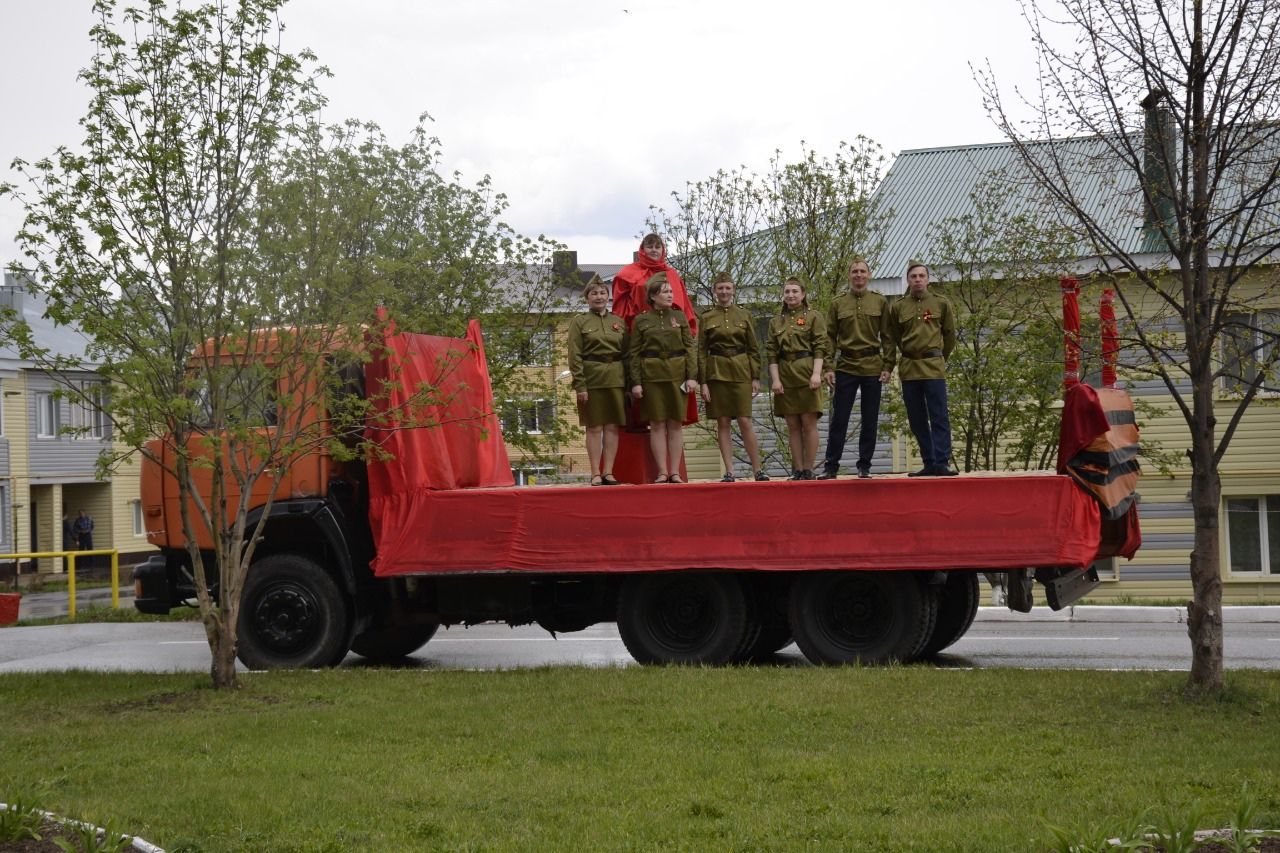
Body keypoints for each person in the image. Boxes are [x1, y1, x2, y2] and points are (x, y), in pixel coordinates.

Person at [819, 257, 891, 479]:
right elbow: (829, 337)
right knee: (840, 418)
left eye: (862, 271)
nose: (858, 275)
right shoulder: (837, 303)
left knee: (870, 419)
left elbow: (888, 337)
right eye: (854, 272)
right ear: (849, 276)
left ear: (869, 275)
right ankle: (831, 466)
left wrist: (888, 365)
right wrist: (828, 366)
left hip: (872, 366)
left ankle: (864, 466)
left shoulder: (879, 302)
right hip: (846, 366)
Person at [886, 262, 958, 477]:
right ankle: (929, 461)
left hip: (933, 367)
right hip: (910, 368)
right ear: (908, 280)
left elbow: (950, 335)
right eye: (913, 276)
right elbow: (895, 336)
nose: (917, 279)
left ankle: (941, 462)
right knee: (916, 418)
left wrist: (939, 357)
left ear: (928, 279)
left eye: (921, 276)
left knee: (939, 416)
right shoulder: (898, 307)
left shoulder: (940, 303)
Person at [628, 273, 697, 483]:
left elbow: (690, 348)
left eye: (670, 291)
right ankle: (662, 471)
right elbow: (634, 353)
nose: (670, 295)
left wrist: (692, 376)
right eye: (665, 292)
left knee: (675, 424)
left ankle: (674, 471)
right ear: (653, 295)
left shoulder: (679, 317)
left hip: (677, 376)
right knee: (657, 424)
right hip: (652, 376)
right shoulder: (641, 320)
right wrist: (636, 382)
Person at [698, 272, 767, 482]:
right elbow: (701, 351)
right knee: (723, 422)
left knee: (745, 420)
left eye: (728, 288)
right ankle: (729, 471)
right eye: (720, 288)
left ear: (733, 290)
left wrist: (756, 377)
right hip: (716, 372)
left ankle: (758, 470)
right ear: (714, 291)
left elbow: (754, 348)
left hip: (741, 371)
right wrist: (703, 382)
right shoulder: (707, 317)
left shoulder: (744, 315)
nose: (724, 292)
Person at [566, 276, 628, 486]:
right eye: (594, 293)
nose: (599, 297)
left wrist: (628, 383)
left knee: (612, 427)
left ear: (608, 297)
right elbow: (574, 355)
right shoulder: (579, 321)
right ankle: (595, 473)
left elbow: (627, 354)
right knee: (594, 427)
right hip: (591, 379)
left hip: (616, 378)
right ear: (587, 298)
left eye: (602, 293)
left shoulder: (618, 322)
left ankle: (608, 472)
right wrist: (580, 384)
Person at [767, 277, 828, 480]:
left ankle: (809, 469)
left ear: (803, 295)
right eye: (787, 292)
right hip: (785, 375)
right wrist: (775, 380)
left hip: (807, 372)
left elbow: (820, 346)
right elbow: (772, 353)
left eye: (795, 291)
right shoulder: (776, 321)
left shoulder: (813, 317)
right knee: (792, 425)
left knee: (809, 423)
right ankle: (798, 469)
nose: (791, 295)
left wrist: (817, 374)